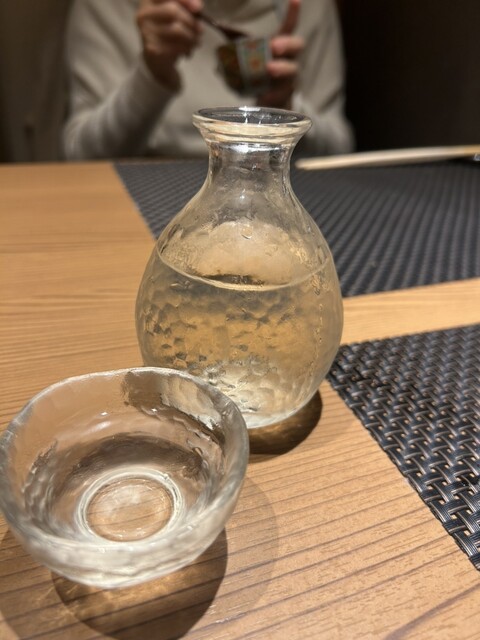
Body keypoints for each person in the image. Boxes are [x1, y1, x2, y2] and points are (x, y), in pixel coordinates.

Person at [62, 0, 354, 160]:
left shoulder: (308, 7)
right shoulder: (106, 7)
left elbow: (338, 151)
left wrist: (284, 108)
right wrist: (152, 74)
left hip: (278, 199)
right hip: (136, 203)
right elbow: (81, 156)